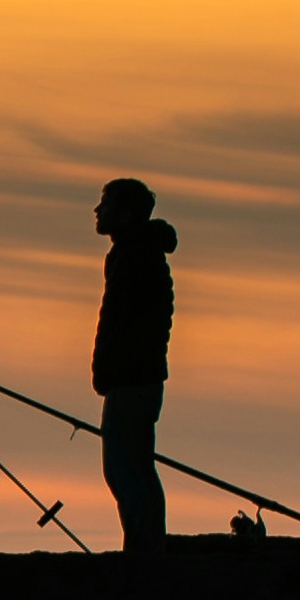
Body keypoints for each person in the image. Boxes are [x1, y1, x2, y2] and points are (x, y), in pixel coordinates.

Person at [92, 177, 177, 546]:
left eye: (105, 203)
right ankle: (145, 544)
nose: (98, 211)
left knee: (125, 469)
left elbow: (129, 322)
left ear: (125, 215)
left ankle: (143, 547)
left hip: (131, 379)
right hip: (134, 378)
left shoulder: (137, 257)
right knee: (135, 467)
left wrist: (110, 369)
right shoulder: (136, 254)